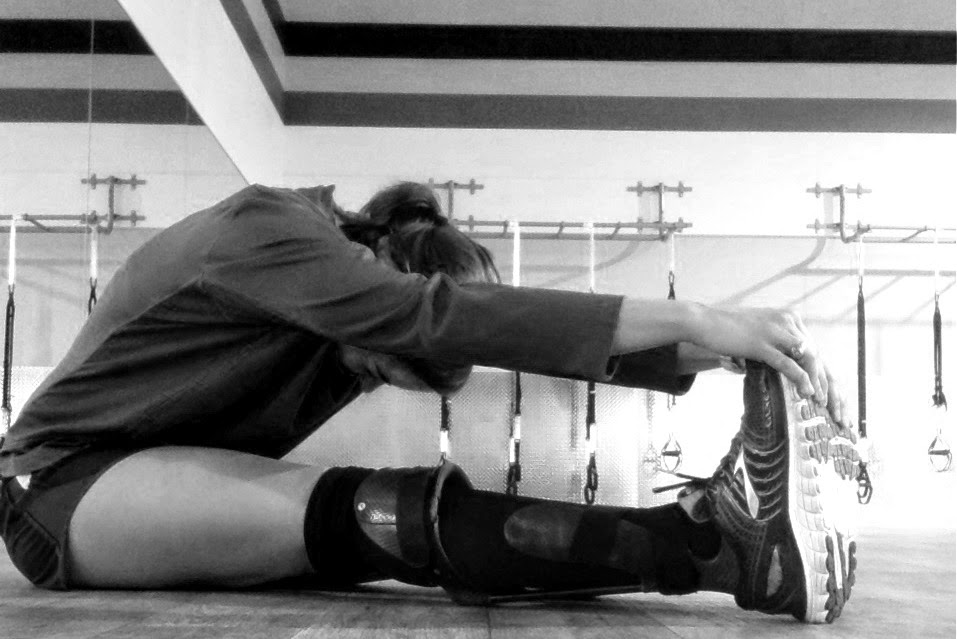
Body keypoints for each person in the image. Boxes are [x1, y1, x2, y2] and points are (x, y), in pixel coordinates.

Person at [0, 182, 859, 623]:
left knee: (385, 515)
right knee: (385, 516)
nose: (371, 379)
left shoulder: (328, 285)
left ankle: (718, 537)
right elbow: (444, 317)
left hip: (136, 476)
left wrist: (725, 355)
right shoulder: (267, 231)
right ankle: (716, 549)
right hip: (64, 487)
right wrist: (700, 315)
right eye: (385, 369)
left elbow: (490, 335)